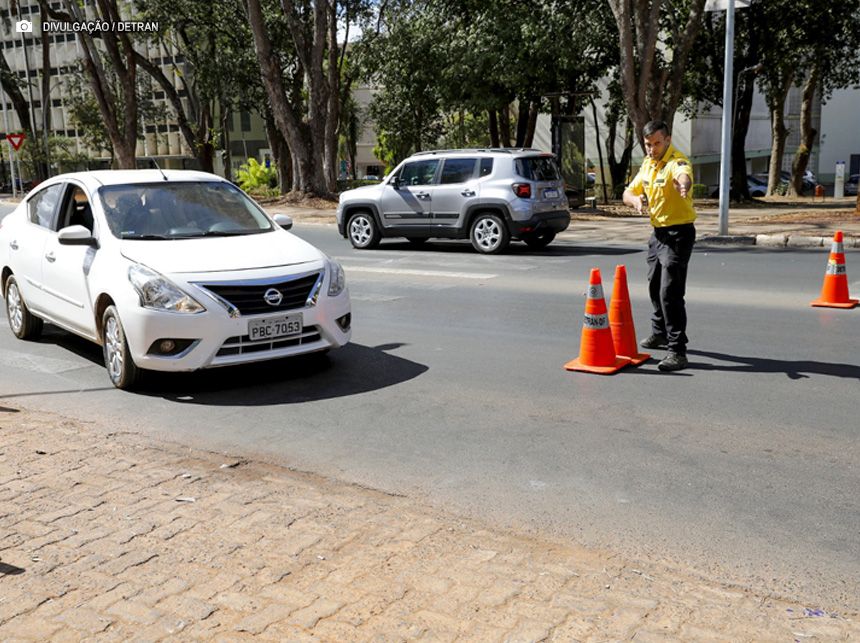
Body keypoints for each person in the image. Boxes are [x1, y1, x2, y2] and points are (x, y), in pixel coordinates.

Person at [622, 120, 696, 372]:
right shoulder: (647, 164)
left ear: (667, 140)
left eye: (656, 143)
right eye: (648, 144)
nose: (652, 149)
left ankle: (677, 351)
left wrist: (683, 186)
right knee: (654, 285)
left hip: (678, 234)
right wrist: (635, 201)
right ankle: (660, 333)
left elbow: (683, 176)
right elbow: (627, 193)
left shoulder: (678, 161)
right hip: (658, 234)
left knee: (670, 293)